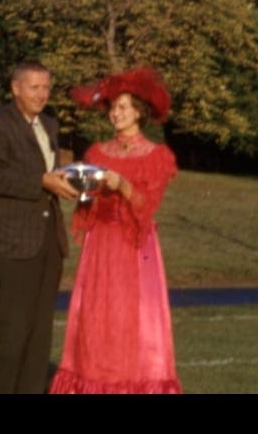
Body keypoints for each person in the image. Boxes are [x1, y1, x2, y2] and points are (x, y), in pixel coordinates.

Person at [49, 65, 183, 394]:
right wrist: (82, 188)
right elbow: (87, 208)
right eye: (113, 107)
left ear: (139, 111)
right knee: (97, 318)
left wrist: (121, 184)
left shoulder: (157, 156)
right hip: (101, 246)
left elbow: (146, 206)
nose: (115, 113)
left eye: (123, 107)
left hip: (135, 249)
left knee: (132, 321)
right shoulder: (97, 153)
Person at [0, 61, 79, 394]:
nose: (42, 94)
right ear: (15, 88)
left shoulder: (48, 124)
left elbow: (49, 172)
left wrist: (66, 179)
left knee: (39, 332)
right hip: (12, 242)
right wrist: (41, 181)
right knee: (13, 332)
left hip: (48, 241)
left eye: (46, 87)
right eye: (34, 87)